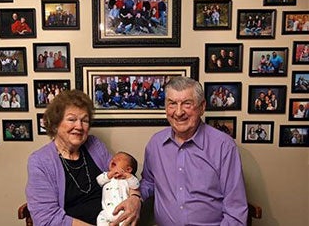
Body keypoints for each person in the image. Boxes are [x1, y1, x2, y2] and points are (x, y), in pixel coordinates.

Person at [140, 76, 248, 225]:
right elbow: (148, 182)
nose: (178, 112)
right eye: (172, 104)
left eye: (187, 104)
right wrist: (135, 197)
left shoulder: (224, 146)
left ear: (202, 107)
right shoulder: (155, 144)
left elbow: (235, 210)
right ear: (166, 107)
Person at [25, 89, 141, 226]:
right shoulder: (40, 161)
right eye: (71, 119)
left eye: (84, 120)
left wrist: (135, 198)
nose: (79, 126)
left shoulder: (94, 145)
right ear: (56, 124)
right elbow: (47, 219)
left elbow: (121, 175)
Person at [96, 152, 140, 225]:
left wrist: (127, 176)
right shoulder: (107, 176)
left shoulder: (128, 179)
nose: (114, 159)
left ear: (128, 169)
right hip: (107, 211)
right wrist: (110, 174)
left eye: (118, 159)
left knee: (126, 222)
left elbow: (136, 185)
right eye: (113, 158)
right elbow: (99, 181)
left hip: (123, 210)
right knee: (101, 218)